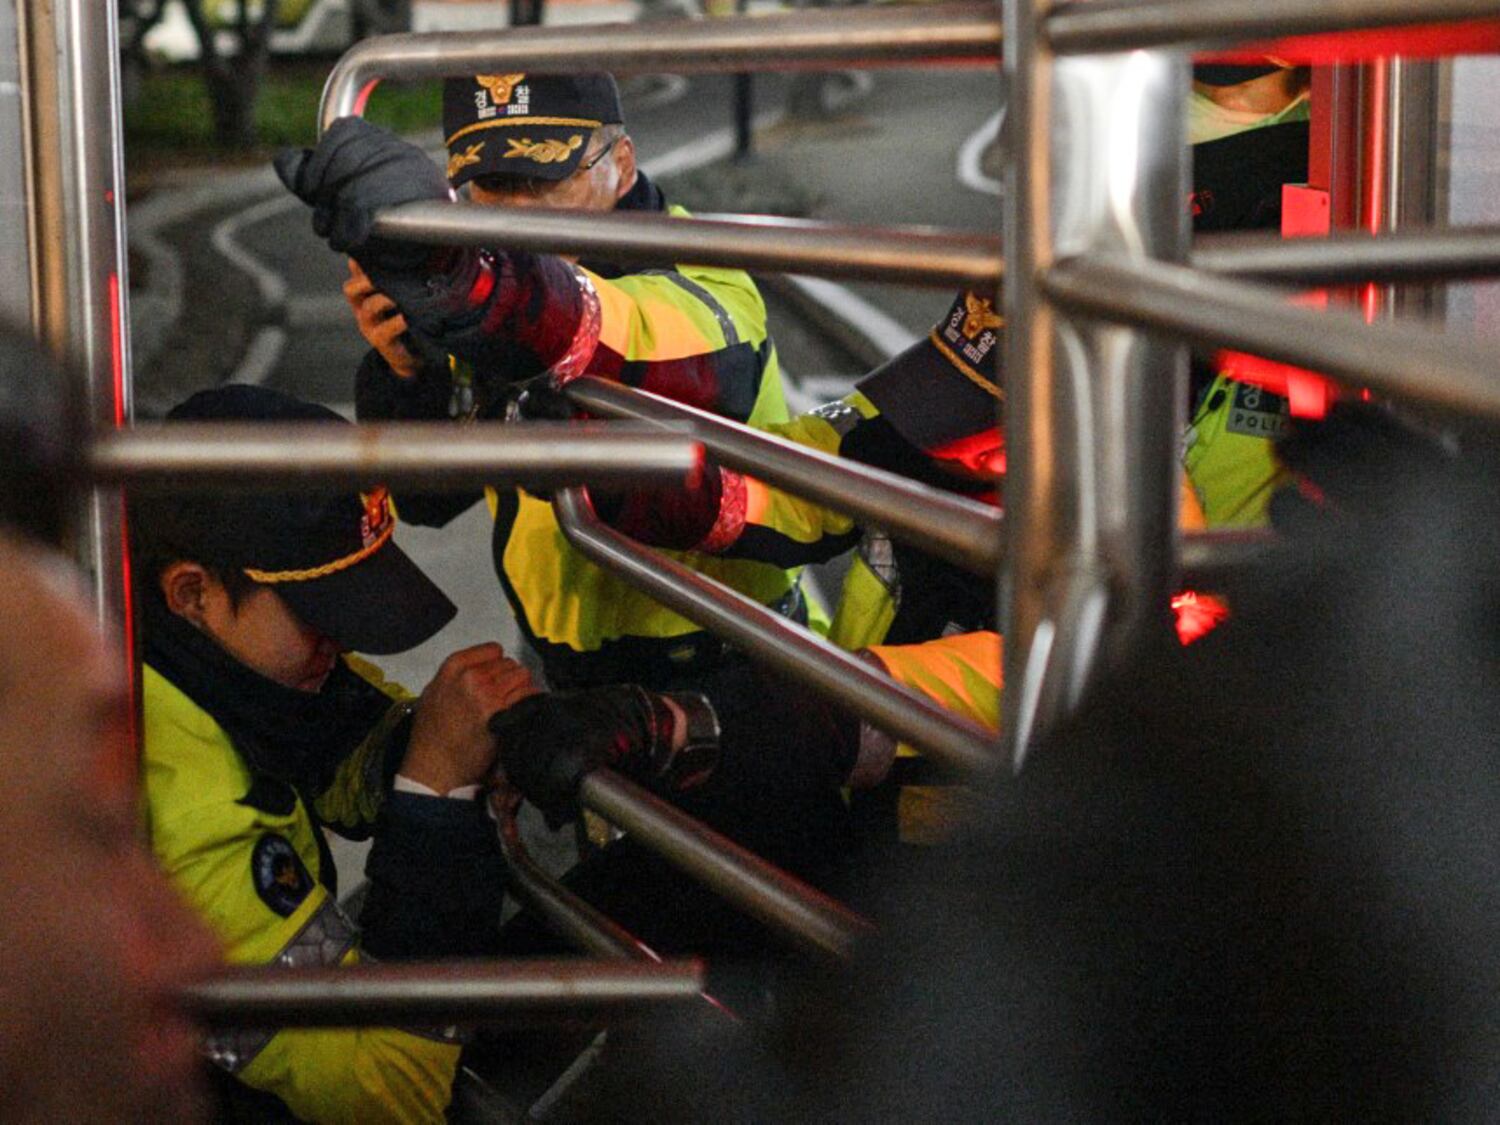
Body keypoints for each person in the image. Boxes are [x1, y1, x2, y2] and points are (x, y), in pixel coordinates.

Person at [279, 73, 801, 698]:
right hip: (565, 673)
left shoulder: (706, 274)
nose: (517, 214)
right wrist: (407, 370)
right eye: (494, 186)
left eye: (545, 179)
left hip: (743, 672)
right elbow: (429, 501)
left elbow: (621, 337)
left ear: (623, 165)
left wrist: (462, 283)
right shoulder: (492, 299)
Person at [132, 385, 540, 1122]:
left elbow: (328, 739)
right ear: (193, 592)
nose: (342, 642)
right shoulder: (181, 815)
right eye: (320, 615)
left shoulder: (168, 648)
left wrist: (457, 741)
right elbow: (381, 1089)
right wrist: (434, 803)